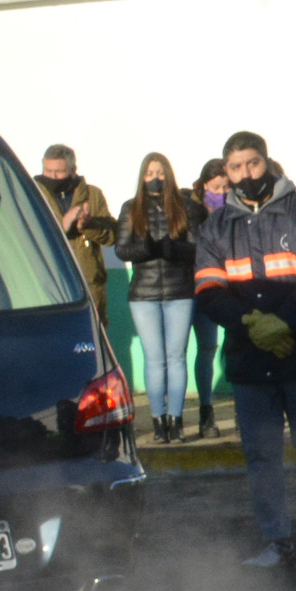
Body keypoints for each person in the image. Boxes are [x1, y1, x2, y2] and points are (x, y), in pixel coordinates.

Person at [191, 131, 296, 568]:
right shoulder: (215, 227)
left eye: (253, 163)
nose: (246, 174)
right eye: (236, 167)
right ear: (226, 172)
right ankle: (277, 538)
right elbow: (208, 289)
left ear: (268, 161)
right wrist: (253, 324)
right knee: (262, 455)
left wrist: (284, 322)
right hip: (251, 358)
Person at [113, 152, 201, 443]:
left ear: (169, 175)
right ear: (142, 176)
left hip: (180, 291)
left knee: (176, 357)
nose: (155, 178)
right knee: (154, 359)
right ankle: (158, 421)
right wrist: (147, 249)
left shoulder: (186, 206)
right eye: (150, 173)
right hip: (144, 293)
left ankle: (176, 420)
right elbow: (122, 249)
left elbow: (197, 248)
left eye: (160, 173)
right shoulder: (130, 208)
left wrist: (172, 250)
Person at [181, 157, 231, 441]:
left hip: (212, 289)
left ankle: (206, 409)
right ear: (202, 187)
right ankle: (174, 417)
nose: (221, 193)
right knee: (176, 354)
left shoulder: (231, 212)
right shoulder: (188, 211)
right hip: (184, 288)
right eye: (215, 188)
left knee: (208, 349)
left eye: (225, 188)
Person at [33, 145, 115, 309]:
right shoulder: (33, 194)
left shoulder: (92, 195)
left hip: (88, 286)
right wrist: (63, 224)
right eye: (48, 171)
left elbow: (112, 236)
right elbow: (29, 233)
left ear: (73, 170)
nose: (53, 177)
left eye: (59, 171)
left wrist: (89, 225)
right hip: (48, 285)